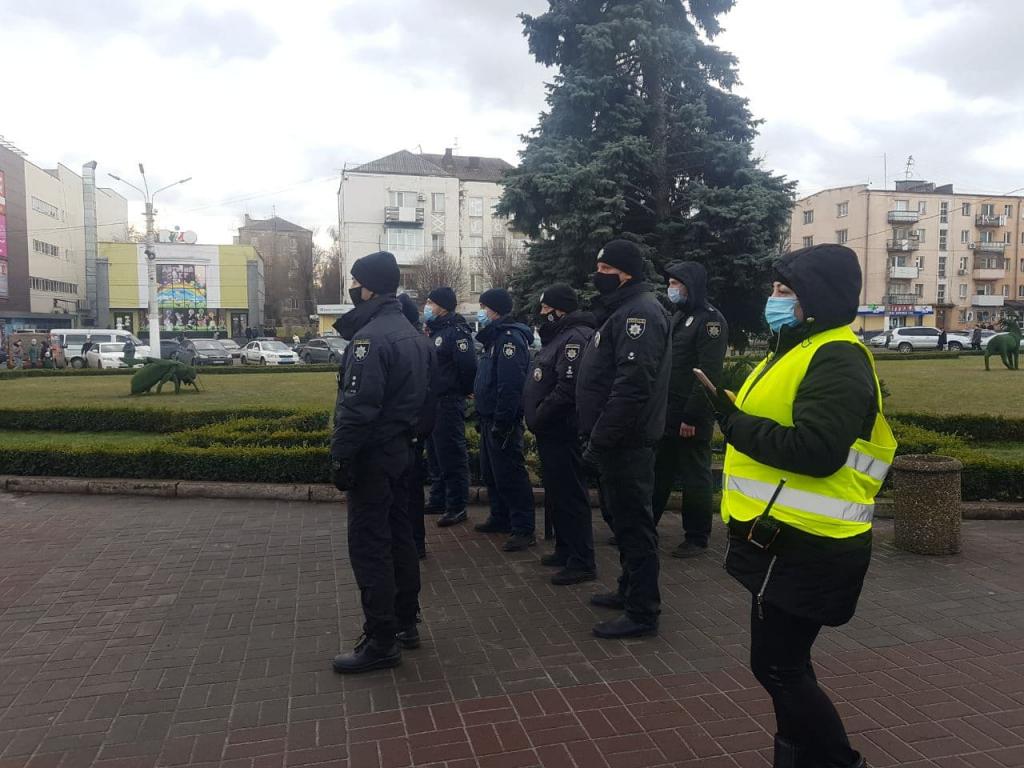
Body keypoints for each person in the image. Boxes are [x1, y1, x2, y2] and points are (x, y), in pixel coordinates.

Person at [704, 243, 896, 768]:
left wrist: (733, 422)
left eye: (784, 291)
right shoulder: (797, 348)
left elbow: (816, 452)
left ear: (817, 298)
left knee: (778, 668)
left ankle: (838, 761)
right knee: (783, 665)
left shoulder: (835, 355)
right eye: (774, 289)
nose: (773, 298)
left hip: (807, 544)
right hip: (783, 537)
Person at [329, 251, 429, 674]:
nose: (352, 288)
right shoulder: (411, 333)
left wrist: (341, 456)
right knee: (400, 537)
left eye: (355, 281)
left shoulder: (371, 339)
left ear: (368, 286)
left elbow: (357, 408)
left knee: (370, 545)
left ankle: (381, 639)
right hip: (403, 451)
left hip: (375, 454)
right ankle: (407, 621)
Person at [576, 239, 671, 639]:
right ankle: (628, 589)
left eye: (603, 270)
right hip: (619, 439)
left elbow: (632, 386)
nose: (597, 277)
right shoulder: (623, 310)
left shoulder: (640, 314)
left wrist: (599, 441)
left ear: (624, 273)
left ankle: (642, 611)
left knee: (634, 526)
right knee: (623, 521)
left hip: (626, 442)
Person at [652, 261, 728, 558]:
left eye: (676, 283)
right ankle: (646, 526)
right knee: (660, 471)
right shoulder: (679, 316)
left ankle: (697, 537)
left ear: (691, 285)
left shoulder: (710, 321)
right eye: (670, 283)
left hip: (690, 415)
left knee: (695, 475)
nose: (671, 289)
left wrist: (692, 416)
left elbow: (708, 373)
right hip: (669, 410)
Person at [523, 283, 597, 585]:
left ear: (560, 310)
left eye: (545, 309)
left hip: (562, 429)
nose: (542, 314)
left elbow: (566, 389)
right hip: (551, 430)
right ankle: (565, 549)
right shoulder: (560, 336)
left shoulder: (575, 339)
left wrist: (540, 414)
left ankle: (582, 560)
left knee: (570, 495)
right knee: (558, 494)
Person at [473, 287, 536, 551]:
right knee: (491, 473)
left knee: (510, 475)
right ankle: (500, 517)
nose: (481, 312)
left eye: (484, 307)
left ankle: (523, 528)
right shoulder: (493, 339)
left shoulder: (509, 340)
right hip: (489, 419)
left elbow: (509, 386)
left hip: (503, 422)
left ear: (495, 311)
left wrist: (503, 420)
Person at [423, 286, 477, 528]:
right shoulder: (434, 330)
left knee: (451, 454)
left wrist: (464, 390)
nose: (427, 307)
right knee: (435, 453)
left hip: (448, 400)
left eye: (430, 302)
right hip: (432, 400)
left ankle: (457, 506)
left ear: (442, 306)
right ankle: (438, 498)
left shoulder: (456, 332)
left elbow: (467, 366)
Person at [398, 293, 439, 560]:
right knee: (412, 491)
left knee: (407, 492)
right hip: (417, 429)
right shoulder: (422, 342)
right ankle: (415, 542)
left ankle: (412, 543)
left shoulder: (409, 344)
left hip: (406, 431)